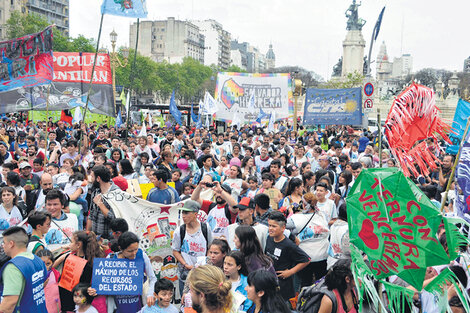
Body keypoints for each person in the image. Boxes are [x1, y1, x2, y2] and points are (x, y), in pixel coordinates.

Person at [0, 226, 48, 313]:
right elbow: (45, 280)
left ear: (11, 244)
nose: (2, 246)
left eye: (4, 242)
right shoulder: (37, 259)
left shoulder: (13, 268)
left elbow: (8, 305)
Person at [265, 211, 310, 302]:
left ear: (283, 228)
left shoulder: (288, 245)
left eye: (274, 226)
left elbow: (306, 260)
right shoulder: (269, 238)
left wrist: (291, 272)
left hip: (283, 286)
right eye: (269, 225)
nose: (270, 229)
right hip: (270, 282)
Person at [172, 200, 213, 295]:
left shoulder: (205, 228)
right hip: (185, 274)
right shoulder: (180, 231)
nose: (183, 216)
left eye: (186, 213)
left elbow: (210, 248)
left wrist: (205, 262)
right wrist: (185, 264)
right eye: (182, 212)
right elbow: (175, 251)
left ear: (195, 214)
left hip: (203, 274)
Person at [87, 165, 119, 239]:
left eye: (92, 177)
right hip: (95, 238)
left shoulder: (116, 194)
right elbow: (91, 214)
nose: (90, 179)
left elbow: (114, 218)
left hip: (109, 239)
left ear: (98, 178)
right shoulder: (96, 192)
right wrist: (87, 233)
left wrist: (100, 204)